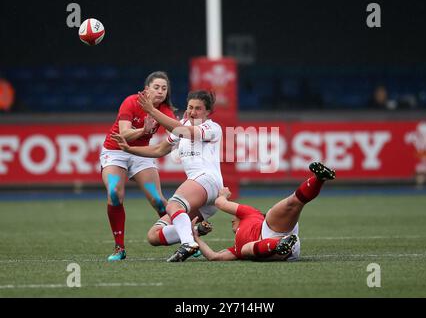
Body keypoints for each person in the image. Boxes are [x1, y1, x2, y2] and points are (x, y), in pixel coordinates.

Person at [112, 90, 223, 262]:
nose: (193, 112)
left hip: (208, 180)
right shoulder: (184, 125)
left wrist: (151, 110)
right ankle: (195, 232)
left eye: (198, 109)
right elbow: (159, 149)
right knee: (154, 236)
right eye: (190, 107)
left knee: (173, 204)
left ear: (208, 112)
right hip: (202, 192)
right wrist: (129, 149)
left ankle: (188, 244)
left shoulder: (212, 127)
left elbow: (183, 130)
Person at [100, 71, 177, 262]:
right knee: (114, 193)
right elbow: (124, 135)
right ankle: (119, 248)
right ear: (146, 89)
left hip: (141, 154)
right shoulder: (131, 102)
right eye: (156, 87)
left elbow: (177, 131)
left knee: (158, 200)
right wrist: (144, 129)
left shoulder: (163, 110)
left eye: (164, 88)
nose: (160, 91)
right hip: (115, 151)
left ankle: (187, 239)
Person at [192, 162, 336, 261]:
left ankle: (319, 178)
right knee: (245, 249)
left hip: (273, 230)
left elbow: (219, 203)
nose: (231, 220)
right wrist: (196, 237)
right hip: (281, 251)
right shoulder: (236, 248)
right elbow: (214, 257)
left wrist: (223, 195)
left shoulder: (250, 214)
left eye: (234, 218)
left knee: (293, 202)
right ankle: (279, 244)